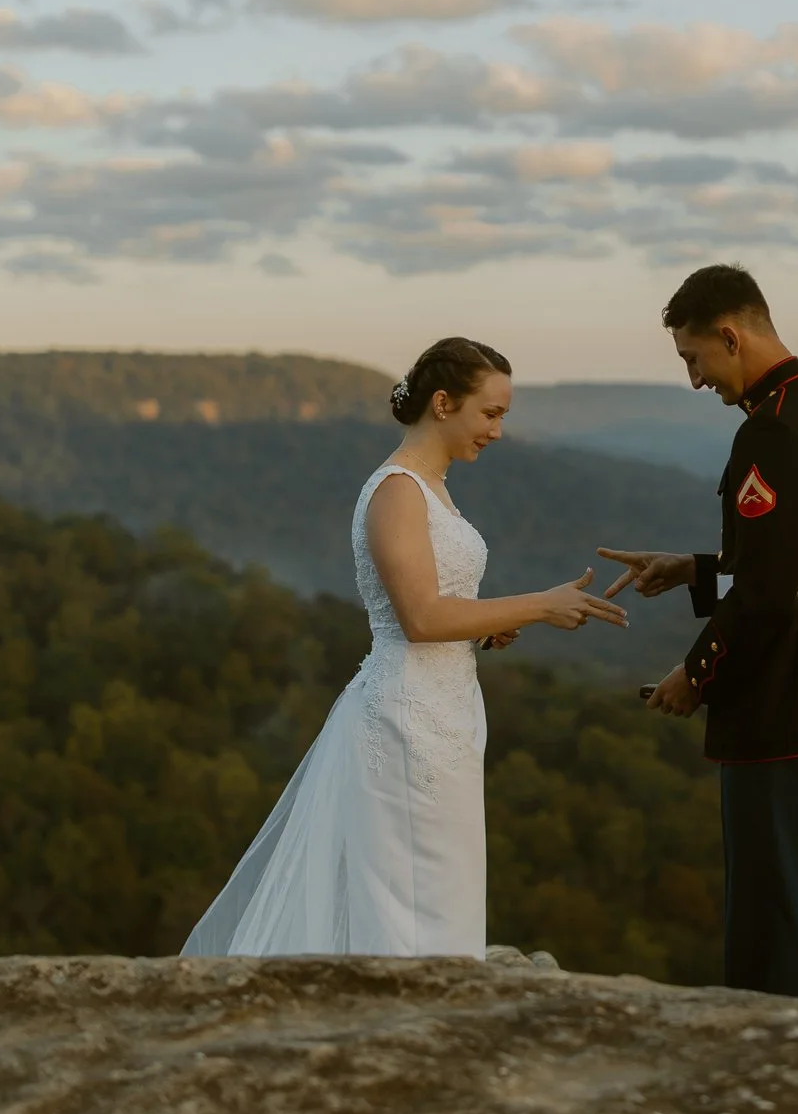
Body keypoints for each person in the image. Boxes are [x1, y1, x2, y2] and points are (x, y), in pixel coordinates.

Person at [181, 336, 628, 957]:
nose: (498, 432)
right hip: (406, 721)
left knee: (442, 888)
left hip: (448, 711)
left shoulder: (432, 485)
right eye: (490, 413)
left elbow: (436, 601)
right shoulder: (397, 490)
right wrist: (539, 605)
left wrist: (484, 625)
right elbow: (418, 618)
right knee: (411, 897)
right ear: (443, 403)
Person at [598, 265, 798, 1001]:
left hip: (779, 693)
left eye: (694, 357)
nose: (695, 378)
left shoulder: (772, 431)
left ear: (731, 336)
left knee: (776, 906)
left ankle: (784, 1051)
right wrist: (692, 569)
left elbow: (765, 594)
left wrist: (695, 675)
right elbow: (787, 561)